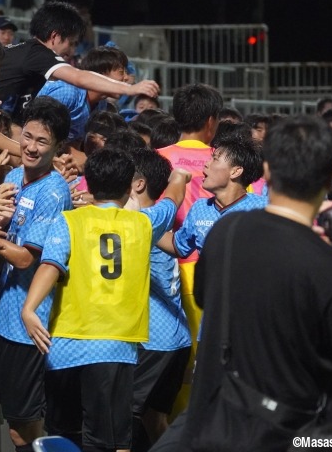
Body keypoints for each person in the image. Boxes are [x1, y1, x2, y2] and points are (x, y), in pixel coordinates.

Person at [169, 115, 332, 451]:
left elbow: (207, 297)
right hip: (291, 432)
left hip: (219, 423)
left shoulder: (226, 233)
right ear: (329, 177)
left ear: (266, 172)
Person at [21, 148, 190, 452]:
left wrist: (29, 308)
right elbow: (172, 200)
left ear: (89, 184)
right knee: (112, 440)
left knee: (63, 436)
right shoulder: (143, 223)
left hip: (67, 345)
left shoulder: (69, 221)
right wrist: (179, 177)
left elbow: (50, 265)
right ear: (129, 188)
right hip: (117, 346)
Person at [0, 96, 73, 452]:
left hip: (27, 330)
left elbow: (25, 259)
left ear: (57, 147)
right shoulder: (12, 176)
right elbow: (2, 225)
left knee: (22, 431)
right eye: (28, 137)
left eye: (42, 142)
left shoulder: (54, 192)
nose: (31, 148)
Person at [156, 82, 223, 414]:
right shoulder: (225, 163)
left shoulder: (157, 160)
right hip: (212, 270)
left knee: (175, 355)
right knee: (204, 356)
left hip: (164, 267)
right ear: (211, 121)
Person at [0, 0, 159, 124]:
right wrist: (131, 89)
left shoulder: (31, 55)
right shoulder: (39, 54)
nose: (72, 52)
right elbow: (79, 77)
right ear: (55, 36)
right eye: (70, 43)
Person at [128, 148, 192, 452]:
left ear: (138, 184)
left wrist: (179, 178)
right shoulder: (159, 225)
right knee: (154, 418)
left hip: (155, 343)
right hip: (177, 341)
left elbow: (175, 196)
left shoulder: (141, 221)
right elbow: (178, 248)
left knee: (123, 419)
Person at [159, 132, 266, 261]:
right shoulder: (200, 208)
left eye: (215, 159)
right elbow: (177, 246)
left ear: (236, 171)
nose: (206, 164)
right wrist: (146, 224)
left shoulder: (263, 209)